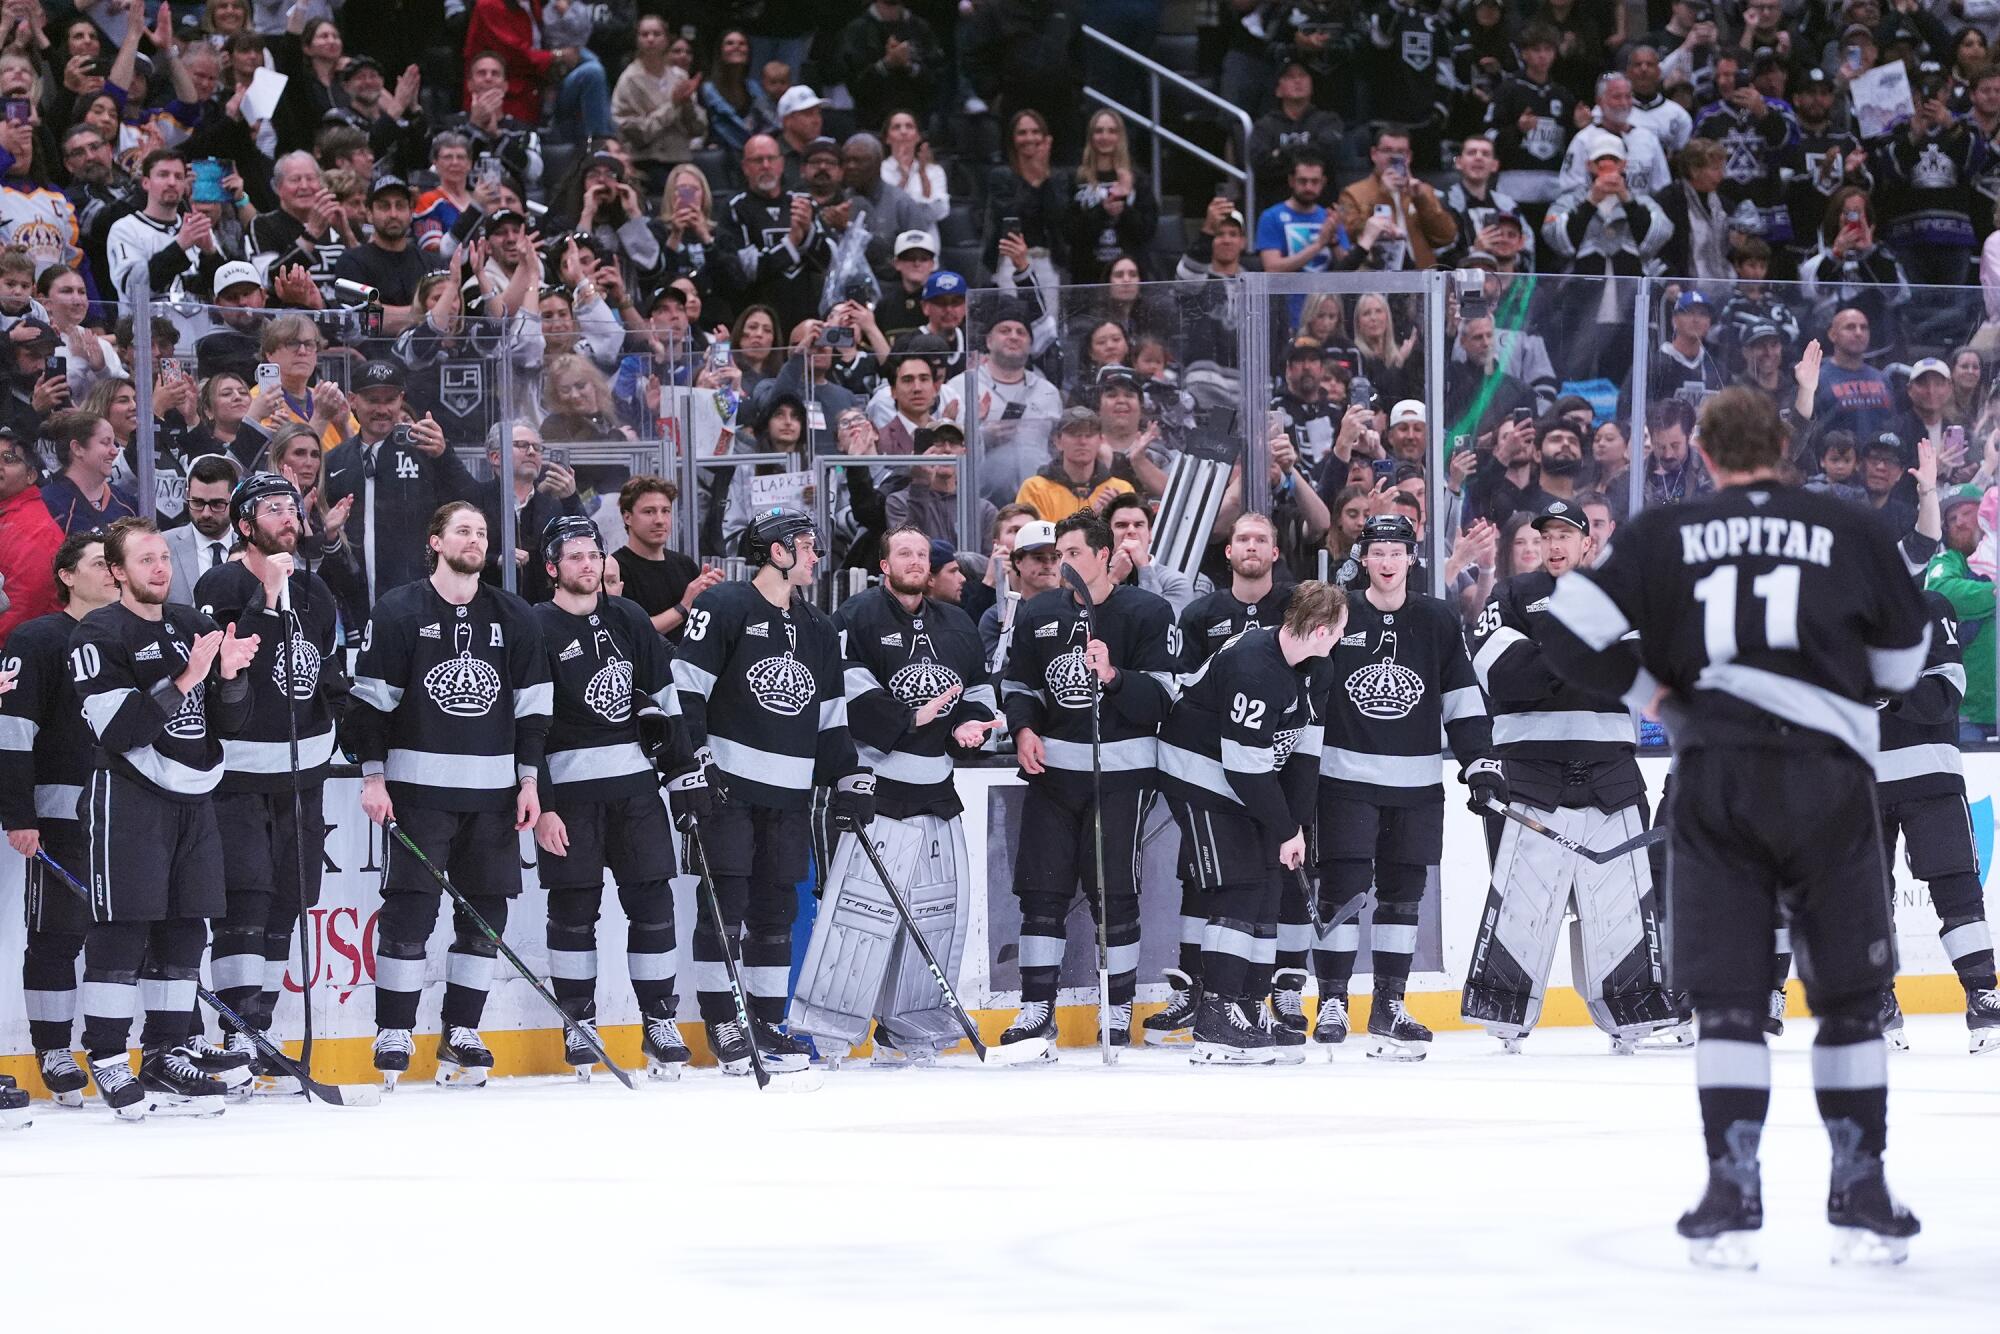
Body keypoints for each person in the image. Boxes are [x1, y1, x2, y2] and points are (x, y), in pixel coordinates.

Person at [1542, 385, 1930, 1267]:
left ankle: (1731, 1187)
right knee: (1849, 1000)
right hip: (1828, 782)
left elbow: (1566, 632)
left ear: (1706, 455)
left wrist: (1659, 698)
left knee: (1726, 1001)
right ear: (1786, 449)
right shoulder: (1854, 531)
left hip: (1715, 776)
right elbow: (1905, 662)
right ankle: (1860, 1185)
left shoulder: (1664, 535)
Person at [1461, 498, 1678, 1053]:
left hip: (1612, 775)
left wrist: (1550, 657)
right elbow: (1500, 674)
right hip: (1528, 774)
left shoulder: (1623, 598)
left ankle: (1631, 1013)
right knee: (1524, 901)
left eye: (1567, 535)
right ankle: (1505, 1015)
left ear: (1589, 544)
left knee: (1620, 903)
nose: (1555, 545)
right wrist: (1582, 657)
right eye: (1547, 535)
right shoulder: (1511, 595)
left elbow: (1636, 675)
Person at [349, 500, 551, 1088]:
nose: (476, 540)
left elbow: (534, 712)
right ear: (435, 541)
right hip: (418, 795)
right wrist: (373, 775)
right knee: (410, 914)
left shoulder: (513, 615)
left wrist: (531, 782)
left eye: (483, 533)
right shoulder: (399, 610)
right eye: (463, 530)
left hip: (492, 798)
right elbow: (369, 706)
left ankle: (461, 1031)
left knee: (484, 917)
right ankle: (394, 1029)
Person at [69, 517, 261, 1118]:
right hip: (128, 798)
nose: (160, 568)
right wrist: (188, 677)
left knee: (185, 929)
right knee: (123, 931)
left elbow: (230, 723)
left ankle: (165, 1051)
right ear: (118, 573)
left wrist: (230, 676)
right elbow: (121, 730)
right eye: (144, 560)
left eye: (163, 558)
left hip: (194, 798)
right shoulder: (98, 634)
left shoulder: (189, 625)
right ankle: (105, 1054)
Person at [670, 506, 871, 1075]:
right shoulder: (724, 605)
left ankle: (764, 1021)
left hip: (790, 797)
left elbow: (831, 717)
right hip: (727, 790)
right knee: (723, 910)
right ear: (778, 551)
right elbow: (686, 690)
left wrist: (847, 776)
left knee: (775, 913)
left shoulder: (819, 627)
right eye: (807, 545)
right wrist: (693, 764)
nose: (816, 555)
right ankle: (725, 1026)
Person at [796, 526, 997, 1064]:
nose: (914, 561)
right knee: (857, 916)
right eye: (903, 552)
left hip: (936, 791)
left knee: (935, 915)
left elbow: (979, 691)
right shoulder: (857, 617)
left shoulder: (957, 622)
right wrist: (913, 715)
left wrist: (971, 726)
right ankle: (832, 1033)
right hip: (874, 788)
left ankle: (909, 1031)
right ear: (883, 564)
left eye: (922, 554)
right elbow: (844, 694)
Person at [1308, 513, 1500, 1061]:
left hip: (1416, 784)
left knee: (1402, 896)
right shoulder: (1338, 613)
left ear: (1411, 559)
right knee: (1343, 890)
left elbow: (1461, 696)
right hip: (1345, 781)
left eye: (1397, 552)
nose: (1387, 562)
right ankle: (1334, 1001)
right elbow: (1307, 687)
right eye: (1378, 552)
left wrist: (1480, 761)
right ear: (1363, 558)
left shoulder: (1437, 618)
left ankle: (1389, 1003)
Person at [994, 512, 1176, 1062]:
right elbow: (1018, 683)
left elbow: (1165, 698)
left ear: (1103, 555)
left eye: (1072, 553)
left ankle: (1116, 1005)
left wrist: (1116, 677)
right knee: (1041, 893)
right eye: (1056, 556)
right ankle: (1036, 1008)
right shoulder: (1039, 611)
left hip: (1121, 777)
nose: (1061, 565)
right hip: (1053, 776)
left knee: (1113, 892)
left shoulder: (1148, 611)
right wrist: (1024, 726)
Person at [192, 472, 345, 1093]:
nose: (288, 516)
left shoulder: (319, 592)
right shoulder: (220, 584)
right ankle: (235, 1030)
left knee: (287, 897)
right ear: (246, 524)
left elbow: (323, 674)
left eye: (292, 506)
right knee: (243, 899)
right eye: (272, 508)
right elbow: (223, 670)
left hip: (302, 775)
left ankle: (262, 1023)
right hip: (237, 775)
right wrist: (267, 594)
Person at [530, 515, 695, 1081]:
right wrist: (544, 803)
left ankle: (659, 1020)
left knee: (653, 909)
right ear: (552, 568)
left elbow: (666, 698)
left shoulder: (628, 618)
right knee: (574, 913)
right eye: (573, 556)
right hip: (570, 798)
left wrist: (683, 778)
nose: (587, 564)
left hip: (636, 794)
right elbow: (526, 725)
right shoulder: (535, 627)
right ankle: (579, 1023)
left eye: (593, 554)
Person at [1158, 581, 1345, 1065]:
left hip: (1247, 781)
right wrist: (1283, 829)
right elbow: (1244, 767)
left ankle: (1246, 1005)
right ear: (1321, 629)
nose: (1341, 639)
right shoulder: (1254, 667)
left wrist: (1296, 827)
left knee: (1267, 886)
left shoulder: (1317, 666)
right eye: (1340, 631)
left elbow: (1305, 751)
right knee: (1239, 886)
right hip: (1198, 774)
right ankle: (1216, 1015)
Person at [1144, 512, 1298, 1046]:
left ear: (1275, 552)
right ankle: (1204, 995)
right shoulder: (1202, 613)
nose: (1251, 546)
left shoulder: (1295, 610)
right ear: (1228, 552)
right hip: (1210, 771)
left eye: (1261, 539)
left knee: (1260, 880)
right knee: (1209, 877)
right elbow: (1181, 686)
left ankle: (1250, 1001)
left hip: (1262, 771)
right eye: (1242, 539)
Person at [0, 531, 120, 1106]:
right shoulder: (37, 638)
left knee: (126, 936)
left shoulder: (128, 633)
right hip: (60, 812)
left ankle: (124, 1052)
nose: (110, 573)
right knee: (56, 936)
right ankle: (51, 1049)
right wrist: (19, 813)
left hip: (126, 812)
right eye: (99, 564)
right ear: (67, 576)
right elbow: (14, 735)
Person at [321, 358, 477, 618]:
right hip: (352, 604)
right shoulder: (336, 460)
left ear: (401, 399)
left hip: (420, 601)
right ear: (352, 400)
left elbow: (471, 502)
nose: (382, 409)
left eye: (389, 400)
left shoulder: (426, 450)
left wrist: (444, 455)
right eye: (372, 399)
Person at [611, 475, 720, 641]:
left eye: (665, 511)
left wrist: (714, 596)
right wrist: (684, 606)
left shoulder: (685, 564)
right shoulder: (616, 569)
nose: (660, 520)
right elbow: (630, 631)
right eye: (649, 512)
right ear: (627, 517)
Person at [0, 430, 63, 642]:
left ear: (31, 475)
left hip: (24, 655)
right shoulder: (9, 516)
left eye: (8, 459)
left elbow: (22, 607)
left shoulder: (34, 528)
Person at [40, 410, 138, 534]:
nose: (115, 451)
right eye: (106, 442)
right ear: (78, 448)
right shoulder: (49, 503)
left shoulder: (125, 501)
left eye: (114, 443)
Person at [164, 455, 242, 606]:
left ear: (234, 499)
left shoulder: (254, 549)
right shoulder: (163, 546)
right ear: (187, 495)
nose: (206, 513)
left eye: (217, 504)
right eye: (198, 503)